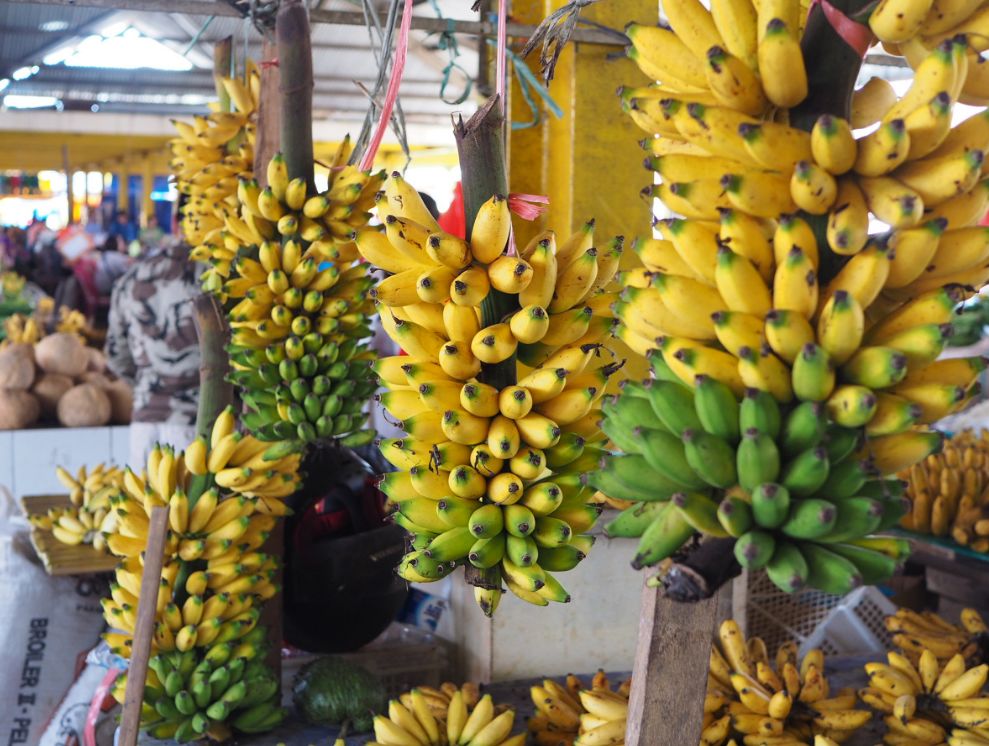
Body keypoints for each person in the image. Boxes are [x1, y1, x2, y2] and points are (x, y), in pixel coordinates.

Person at [105, 230, 201, 469]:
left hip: (144, 421)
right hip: (203, 421)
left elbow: (116, 355)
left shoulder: (130, 279)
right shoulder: (216, 278)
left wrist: (147, 383)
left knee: (141, 493)